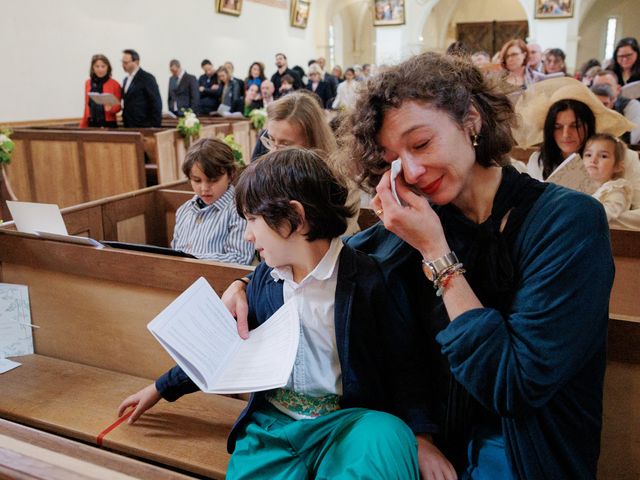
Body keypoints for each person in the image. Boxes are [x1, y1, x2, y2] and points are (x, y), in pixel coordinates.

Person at [223, 52, 616, 479]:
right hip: (438, 431)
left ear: (471, 119)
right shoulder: (422, 220)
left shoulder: (569, 221)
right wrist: (247, 282)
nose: (412, 169)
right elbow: (327, 258)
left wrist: (436, 251)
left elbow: (512, 386)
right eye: (394, 157)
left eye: (422, 143)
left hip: (525, 445)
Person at [117, 147, 431, 480]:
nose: (248, 234)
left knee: (386, 436)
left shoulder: (369, 280)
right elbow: (220, 350)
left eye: (253, 220)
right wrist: (158, 389)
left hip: (346, 422)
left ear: (292, 217)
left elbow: (408, 364)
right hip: (273, 424)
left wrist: (424, 438)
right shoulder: (265, 279)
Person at [251, 91, 361, 235]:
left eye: (285, 145)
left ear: (311, 143)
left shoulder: (341, 184)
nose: (273, 153)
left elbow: (341, 242)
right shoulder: (265, 175)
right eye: (270, 140)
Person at [512, 77, 635, 180]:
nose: (566, 134)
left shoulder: (623, 157)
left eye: (575, 126)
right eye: (558, 127)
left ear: (589, 125)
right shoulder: (539, 161)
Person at [171, 137, 254, 264]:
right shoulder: (184, 210)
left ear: (230, 174)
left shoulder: (239, 210)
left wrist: (193, 260)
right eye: (197, 181)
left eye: (213, 180)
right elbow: (175, 252)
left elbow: (240, 259)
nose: (204, 188)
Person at [583, 133, 632, 222]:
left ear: (617, 166)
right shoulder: (580, 185)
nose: (593, 160)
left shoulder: (616, 190)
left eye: (603, 156)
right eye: (588, 155)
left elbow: (607, 213)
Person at [592, 70, 640, 145]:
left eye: (607, 85)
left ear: (618, 89)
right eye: (597, 86)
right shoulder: (588, 105)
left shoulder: (631, 106)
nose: (602, 89)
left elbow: (631, 140)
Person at [121, 49, 162, 128]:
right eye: (122, 62)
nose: (123, 65)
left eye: (126, 63)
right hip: (128, 124)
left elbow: (156, 102)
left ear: (136, 62)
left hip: (143, 124)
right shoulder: (126, 80)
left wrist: (155, 125)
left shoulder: (147, 78)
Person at [80, 54, 121, 128]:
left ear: (108, 67)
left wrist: (111, 108)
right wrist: (82, 126)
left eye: (103, 66)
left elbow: (118, 107)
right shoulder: (88, 83)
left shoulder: (115, 84)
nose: (100, 69)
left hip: (108, 124)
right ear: (93, 68)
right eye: (97, 66)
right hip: (92, 123)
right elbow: (86, 105)